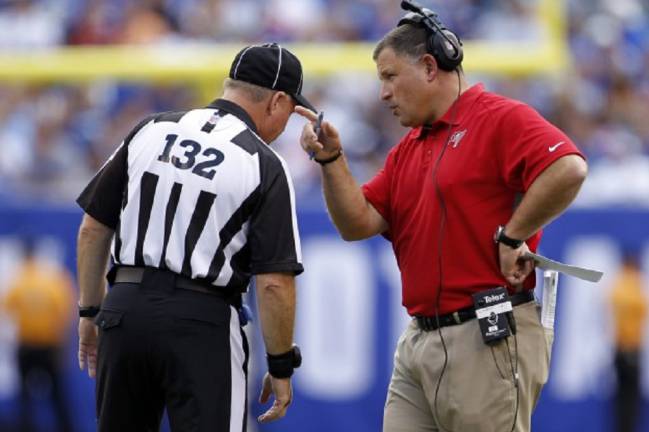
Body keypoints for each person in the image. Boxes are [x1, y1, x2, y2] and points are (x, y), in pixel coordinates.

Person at [295, 6, 588, 432]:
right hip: (418, 340)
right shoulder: (410, 148)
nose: (383, 93)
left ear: (430, 67)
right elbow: (356, 223)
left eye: (390, 76)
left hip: (486, 333)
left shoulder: (498, 116)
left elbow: (568, 168)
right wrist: (331, 159)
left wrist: (513, 236)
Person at [76, 43, 311, 432]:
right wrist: (281, 363)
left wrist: (89, 312)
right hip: (201, 320)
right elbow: (274, 283)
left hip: (125, 309)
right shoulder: (262, 162)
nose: (287, 123)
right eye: (290, 111)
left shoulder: (151, 128)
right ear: (277, 101)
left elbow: (92, 228)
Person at [2, 237, 74, 432]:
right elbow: (65, 314)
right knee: (57, 396)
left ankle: (27, 428)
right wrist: (62, 345)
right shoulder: (52, 281)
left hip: (26, 345)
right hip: (49, 346)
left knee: (25, 397)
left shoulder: (19, 280)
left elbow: (6, 308)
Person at [609, 251, 647, 432]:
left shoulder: (616, 288)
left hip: (618, 349)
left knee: (620, 396)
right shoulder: (636, 289)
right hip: (632, 347)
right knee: (630, 398)